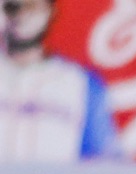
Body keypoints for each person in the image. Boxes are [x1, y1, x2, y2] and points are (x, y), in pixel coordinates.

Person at [0, 0, 120, 162]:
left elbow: (108, 163)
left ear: (49, 10)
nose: (23, 14)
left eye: (32, 6)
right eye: (13, 7)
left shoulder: (80, 83)